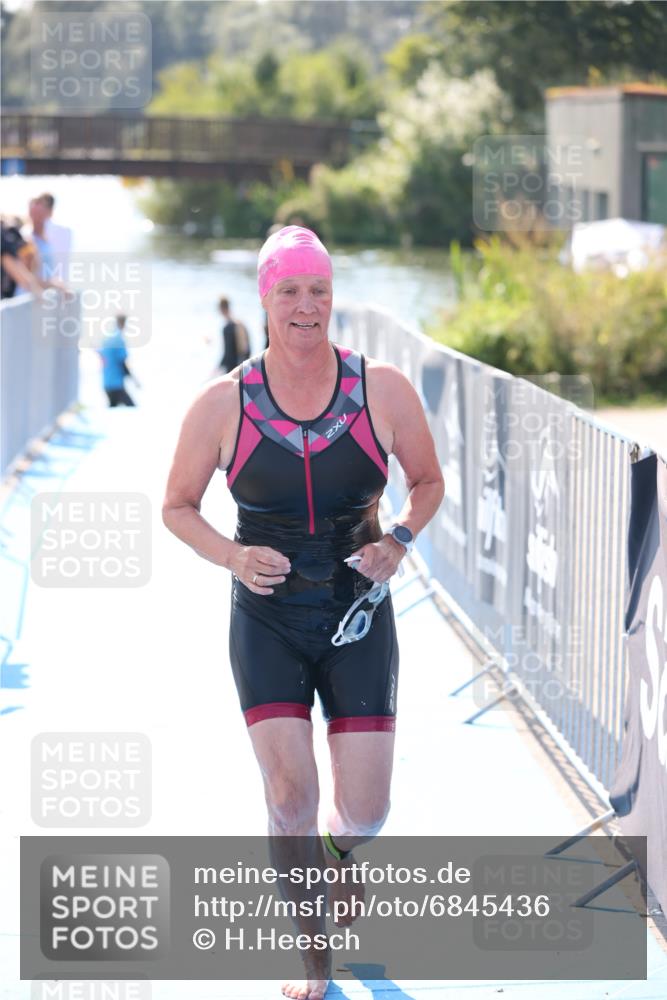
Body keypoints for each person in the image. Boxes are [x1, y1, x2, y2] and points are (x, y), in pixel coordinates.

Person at [163, 226, 444, 1000]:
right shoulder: (223, 403)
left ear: (331, 297)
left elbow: (426, 481)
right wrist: (231, 556)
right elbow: (177, 505)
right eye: (288, 289)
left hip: (358, 615)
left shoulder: (380, 388)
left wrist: (398, 540)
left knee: (367, 810)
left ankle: (337, 853)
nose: (305, 305)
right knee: (288, 797)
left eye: (317, 289)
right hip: (268, 619)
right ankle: (312, 961)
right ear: (264, 297)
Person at [98, 315, 138, 407]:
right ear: (123, 323)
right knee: (132, 407)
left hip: (107, 381)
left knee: (113, 407)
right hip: (116, 383)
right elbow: (122, 362)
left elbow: (102, 356)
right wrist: (134, 379)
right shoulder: (119, 340)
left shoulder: (107, 338)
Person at [218, 296, 251, 371]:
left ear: (221, 309)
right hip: (241, 366)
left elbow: (227, 354)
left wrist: (219, 367)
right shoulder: (240, 324)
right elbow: (246, 350)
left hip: (232, 367)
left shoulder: (227, 328)